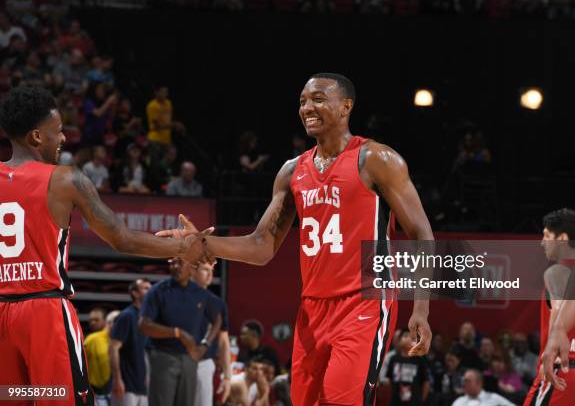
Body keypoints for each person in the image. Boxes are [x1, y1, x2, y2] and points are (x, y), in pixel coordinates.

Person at [157, 73, 434, 405]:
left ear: (346, 107)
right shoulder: (292, 172)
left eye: (318, 99)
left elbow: (421, 233)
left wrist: (421, 309)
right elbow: (261, 246)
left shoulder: (376, 159)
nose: (307, 108)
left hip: (365, 302)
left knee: (341, 399)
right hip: (313, 307)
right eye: (302, 101)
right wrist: (202, 244)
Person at [0, 86, 208, 406]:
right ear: (37, 137)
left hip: (2, 315)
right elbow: (122, 238)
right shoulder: (65, 179)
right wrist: (183, 248)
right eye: (58, 132)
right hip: (44, 312)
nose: (64, 139)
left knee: (15, 396)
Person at [525, 209, 575, 405]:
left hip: (563, 370)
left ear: (562, 238)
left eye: (547, 236)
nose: (542, 242)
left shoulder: (558, 270)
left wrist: (552, 352)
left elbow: (558, 307)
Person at [139, 257, 222, 406]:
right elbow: (144, 325)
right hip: (163, 356)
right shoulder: (158, 290)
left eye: (180, 263)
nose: (176, 267)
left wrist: (205, 345)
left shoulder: (200, 293)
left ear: (191, 266)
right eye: (172, 263)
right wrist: (177, 333)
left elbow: (217, 320)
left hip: (190, 359)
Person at [191, 261, 232, 406]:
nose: (210, 274)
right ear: (192, 271)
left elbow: (224, 341)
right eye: (205, 270)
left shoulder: (217, 303)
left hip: (204, 364)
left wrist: (227, 377)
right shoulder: (178, 296)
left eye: (211, 270)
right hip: (179, 360)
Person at [110, 278, 152, 406]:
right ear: (135, 293)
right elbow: (113, 348)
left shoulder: (146, 318)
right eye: (146, 288)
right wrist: (117, 380)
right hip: (127, 385)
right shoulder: (127, 316)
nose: (150, 292)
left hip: (143, 386)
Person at [385, 328, 430, 405]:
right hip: (396, 402)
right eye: (405, 336)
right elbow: (389, 381)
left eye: (412, 338)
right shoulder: (394, 359)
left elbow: (426, 382)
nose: (408, 339)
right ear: (399, 341)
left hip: (414, 402)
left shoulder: (419, 360)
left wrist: (421, 400)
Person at [84, 310, 120, 406]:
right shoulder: (91, 340)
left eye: (96, 320)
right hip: (97, 393)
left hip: (116, 392)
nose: (92, 323)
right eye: (91, 320)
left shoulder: (119, 341)